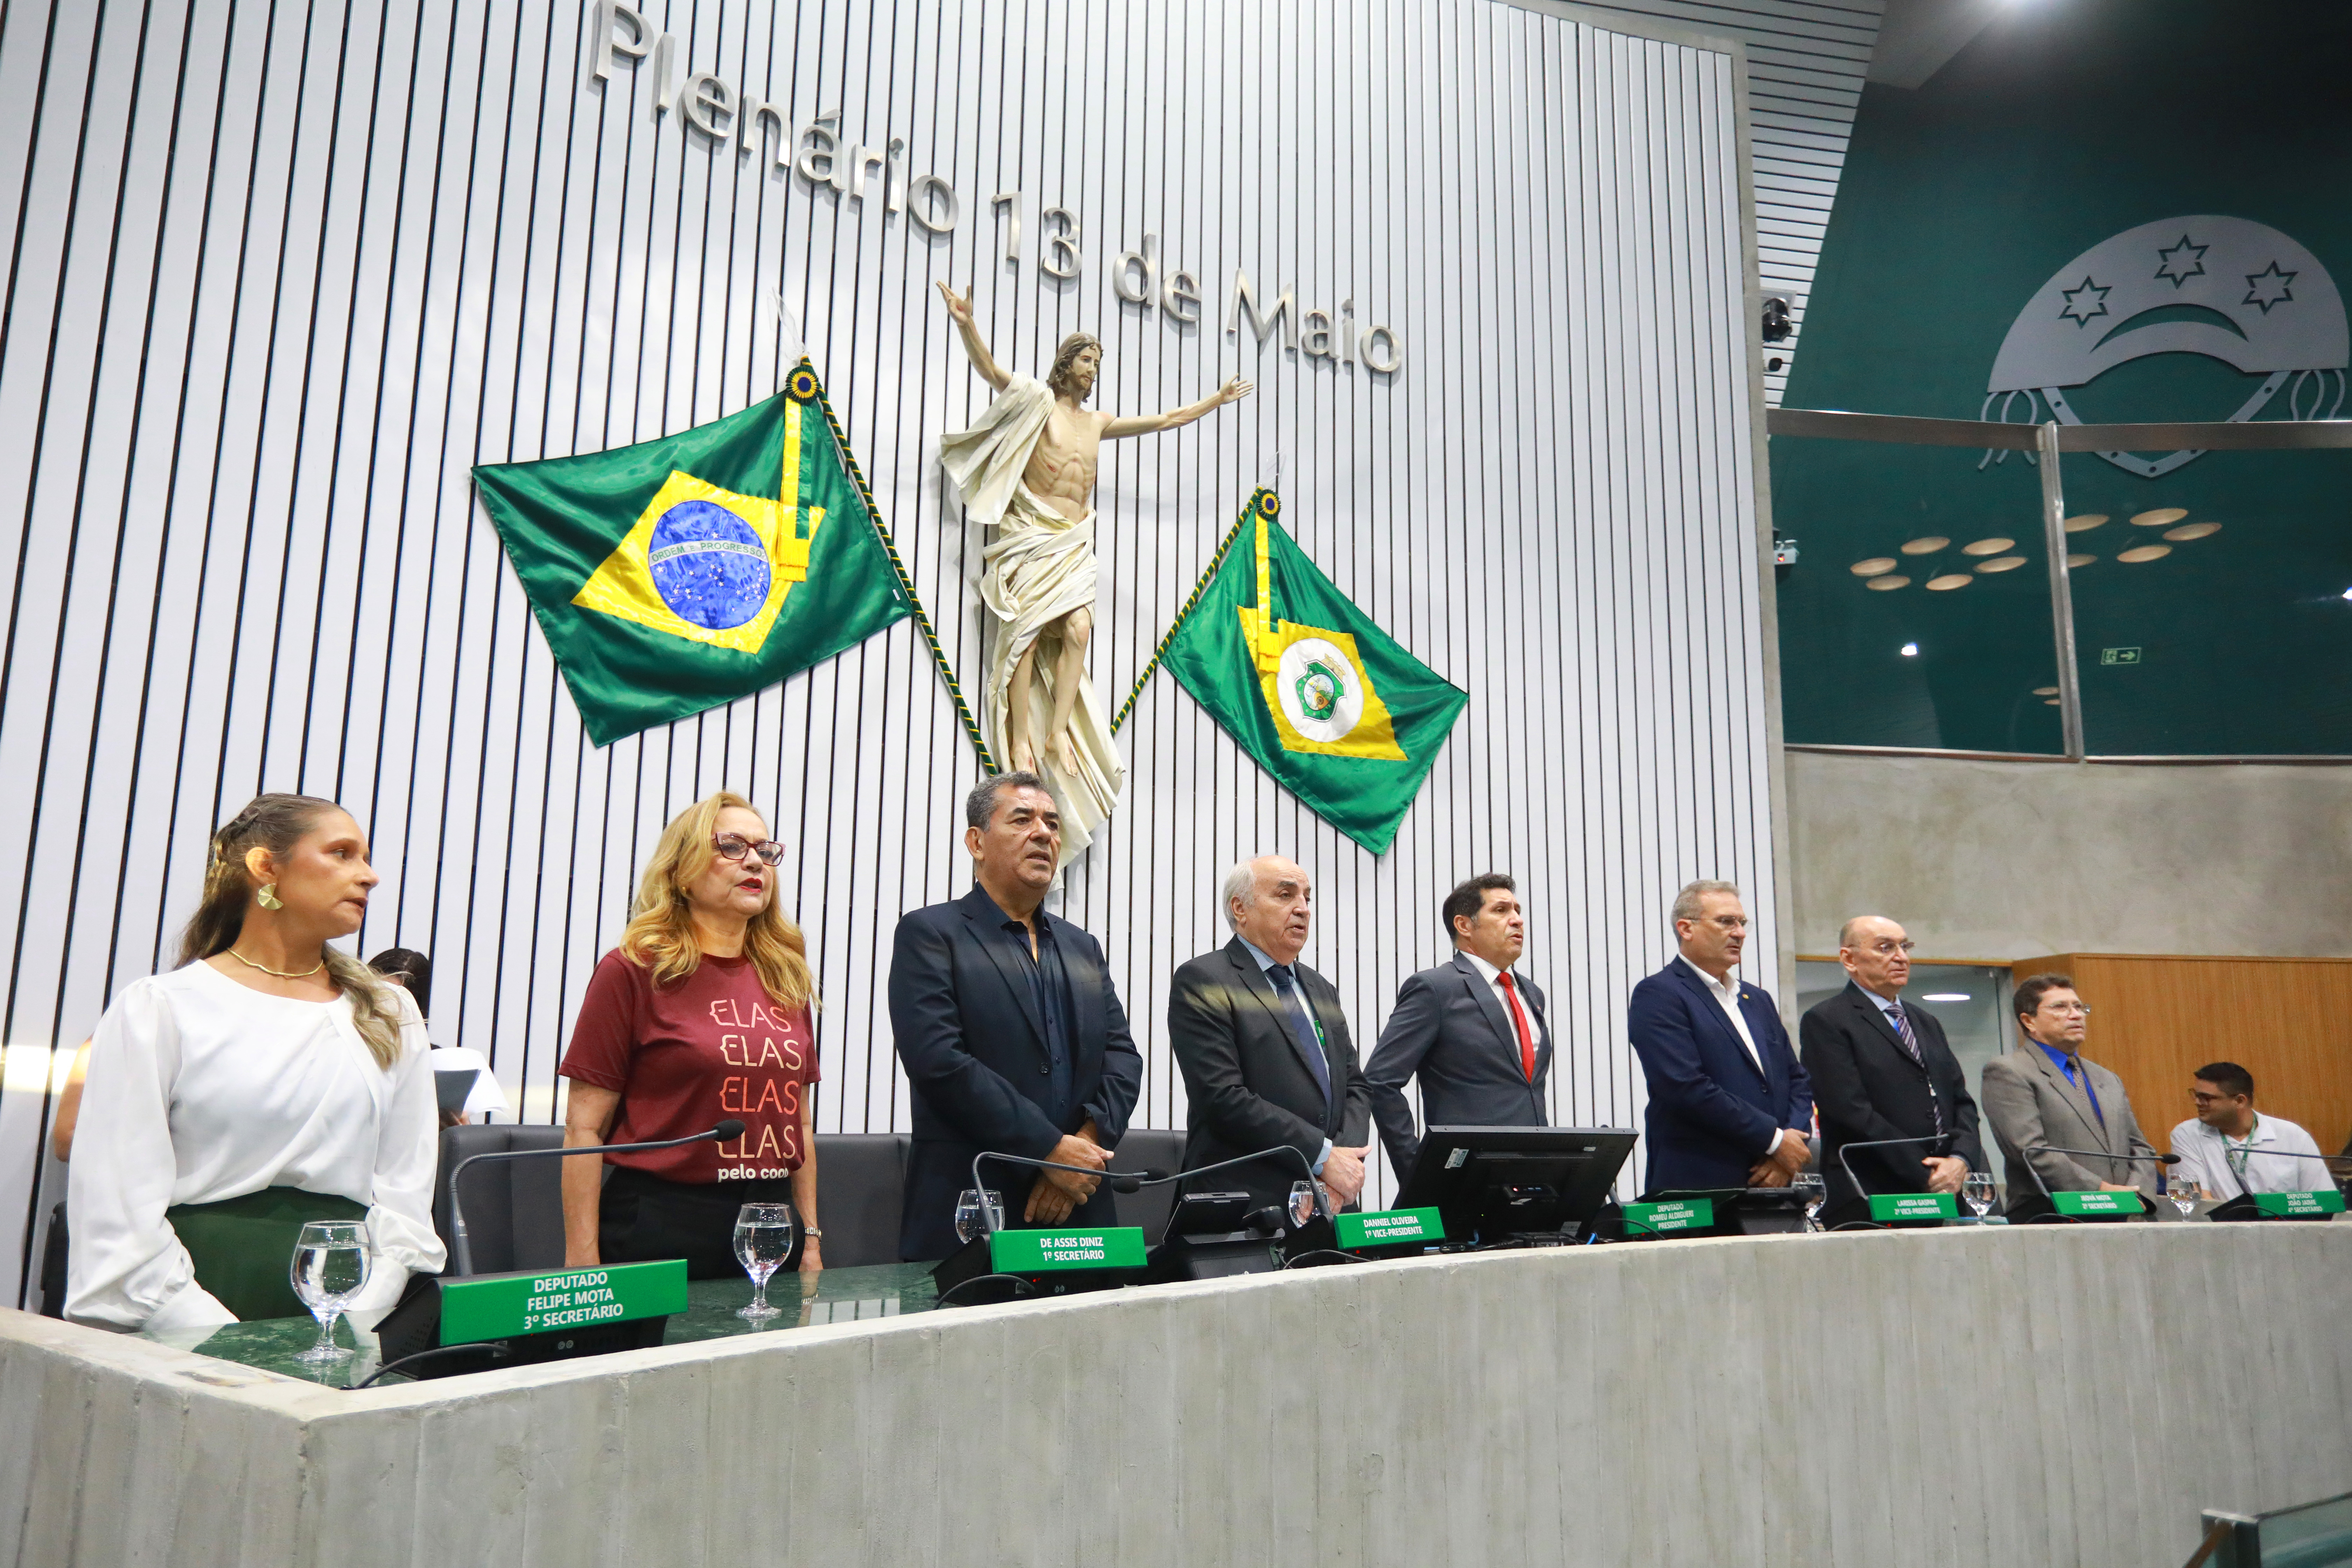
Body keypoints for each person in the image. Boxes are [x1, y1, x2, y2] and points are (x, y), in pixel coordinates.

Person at [64, 794, 444, 1331]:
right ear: (266, 867)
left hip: (353, 1297)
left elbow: (407, 1190)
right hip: (193, 1294)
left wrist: (361, 1312)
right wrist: (205, 1331)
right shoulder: (161, 1008)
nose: (370, 876)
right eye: (342, 854)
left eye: (365, 857)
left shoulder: (388, 1010)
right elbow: (118, 1206)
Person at [936, 283, 1252, 865]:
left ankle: (1056, 732)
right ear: (1066, 363)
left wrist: (1214, 401)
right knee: (1025, 637)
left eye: (1098, 364)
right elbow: (991, 372)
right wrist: (966, 323)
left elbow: (1162, 421)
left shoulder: (1099, 422)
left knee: (1078, 629)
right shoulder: (1035, 400)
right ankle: (1021, 739)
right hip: (1031, 536)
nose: (1093, 371)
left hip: (1074, 541)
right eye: (1087, 360)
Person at [559, 792, 824, 1278]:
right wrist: (581, 1264)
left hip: (770, 1218)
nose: (756, 863)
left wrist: (810, 1237)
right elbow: (584, 1131)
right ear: (681, 870)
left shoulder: (787, 978)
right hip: (664, 1217)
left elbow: (799, 1125)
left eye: (766, 852)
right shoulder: (635, 970)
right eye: (732, 846)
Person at [889, 771, 1143, 1260]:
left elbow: (1123, 1058)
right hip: (972, 1200)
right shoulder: (931, 935)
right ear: (977, 842)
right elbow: (940, 1062)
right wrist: (1050, 1149)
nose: (1044, 833)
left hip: (1080, 1205)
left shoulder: (1081, 947)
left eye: (1052, 823)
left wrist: (1080, 1158)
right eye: (1023, 819)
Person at [1168, 856, 1372, 1215]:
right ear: (1240, 908)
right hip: (1246, 1204)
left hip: (1331, 1202)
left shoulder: (1322, 989)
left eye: (1308, 898)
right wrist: (1322, 1157)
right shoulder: (1204, 979)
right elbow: (1223, 1097)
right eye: (1285, 895)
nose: (1303, 909)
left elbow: (1354, 1085)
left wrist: (1342, 1164)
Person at [1625, 880, 1813, 1197]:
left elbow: (1796, 1079)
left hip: (1777, 1179)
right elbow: (1685, 1086)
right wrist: (1776, 1142)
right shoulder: (1660, 994)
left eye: (1742, 923)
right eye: (1727, 922)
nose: (1739, 933)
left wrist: (1790, 1144)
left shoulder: (1758, 999)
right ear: (1686, 929)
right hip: (1702, 1182)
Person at [1364, 874, 1552, 1185]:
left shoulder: (1532, 994)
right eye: (1502, 910)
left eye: (1518, 910)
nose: (1518, 920)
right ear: (1464, 926)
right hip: (1467, 1182)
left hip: (1535, 1177)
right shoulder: (1436, 989)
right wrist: (1419, 1172)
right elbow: (1380, 1082)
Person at [1798, 916, 1983, 1225]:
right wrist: (1927, 1173)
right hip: (1873, 1191)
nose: (1901, 957)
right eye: (1886, 948)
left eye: (1905, 946)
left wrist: (1960, 1161)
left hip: (1947, 1189)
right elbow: (1850, 1111)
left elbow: (1960, 1101)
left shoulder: (1925, 1021)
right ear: (1849, 959)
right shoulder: (1827, 1020)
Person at [1979, 974, 2160, 1214]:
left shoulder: (2106, 1077)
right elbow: (2030, 1150)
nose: (2076, 1015)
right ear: (2029, 1021)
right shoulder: (2009, 1071)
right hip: (2052, 1215)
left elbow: (2140, 1147)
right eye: (2060, 1007)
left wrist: (2139, 1194)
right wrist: (2102, 1190)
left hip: (2127, 1214)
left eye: (2079, 1007)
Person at [368, 947, 509, 1128]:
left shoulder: (435, 1059)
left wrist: (458, 1130)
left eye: (394, 1000)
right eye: (375, 996)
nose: (382, 1009)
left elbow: (460, 1133)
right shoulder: (341, 1045)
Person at [2167, 1062, 2333, 1198]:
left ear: (2240, 1101)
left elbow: (2322, 1199)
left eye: (2207, 1098)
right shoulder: (2187, 1134)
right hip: (2222, 1232)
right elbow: (2197, 1200)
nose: (2197, 1102)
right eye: (2196, 1095)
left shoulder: (2293, 1136)